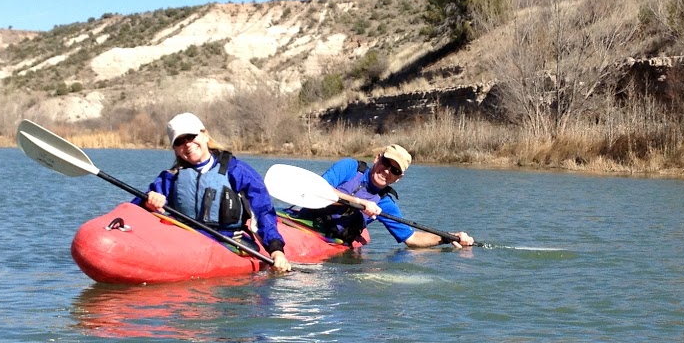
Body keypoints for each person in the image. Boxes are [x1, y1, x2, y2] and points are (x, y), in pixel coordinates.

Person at [139, 112, 292, 273]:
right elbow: (137, 206)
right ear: (175, 149)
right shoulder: (170, 177)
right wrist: (148, 202)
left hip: (228, 240)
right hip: (184, 239)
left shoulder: (237, 171)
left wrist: (276, 251)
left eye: (191, 136)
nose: (187, 144)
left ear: (204, 135)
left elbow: (263, 212)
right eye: (179, 141)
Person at [299, 144, 475, 249]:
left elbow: (411, 239)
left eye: (395, 170)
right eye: (386, 163)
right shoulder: (349, 167)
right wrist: (360, 202)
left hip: (330, 240)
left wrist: (448, 237)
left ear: (399, 178)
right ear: (377, 158)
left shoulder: (385, 203)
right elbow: (318, 189)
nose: (387, 171)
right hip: (301, 223)